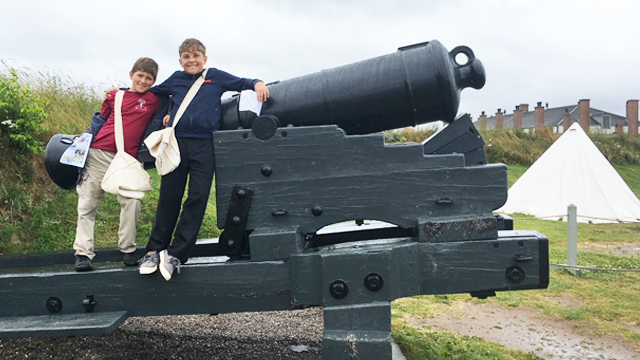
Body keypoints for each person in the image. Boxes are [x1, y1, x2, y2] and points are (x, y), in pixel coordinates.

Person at [138, 38, 270, 281]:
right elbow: (151, 94)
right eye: (186, 57)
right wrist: (123, 94)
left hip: (204, 145)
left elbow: (241, 83)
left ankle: (177, 253)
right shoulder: (176, 79)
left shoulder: (215, 77)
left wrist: (257, 83)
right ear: (180, 61)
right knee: (169, 197)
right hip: (176, 144)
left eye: (196, 56)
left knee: (197, 198)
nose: (192, 60)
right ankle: (154, 250)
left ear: (204, 59)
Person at [74, 57, 168, 272]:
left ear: (153, 81)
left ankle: (127, 249)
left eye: (148, 78)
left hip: (128, 158)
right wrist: (85, 137)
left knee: (132, 202)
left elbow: (172, 97)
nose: (143, 81)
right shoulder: (115, 96)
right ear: (131, 74)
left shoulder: (154, 99)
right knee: (88, 204)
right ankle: (83, 253)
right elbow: (101, 120)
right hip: (100, 152)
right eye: (140, 75)